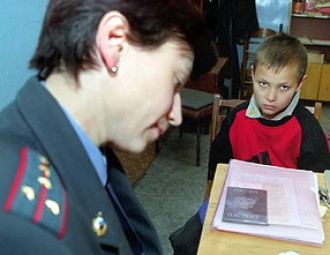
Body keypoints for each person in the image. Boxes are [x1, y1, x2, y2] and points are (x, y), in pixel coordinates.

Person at [0, 1, 216, 254]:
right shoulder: (24, 228)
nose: (176, 116)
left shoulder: (87, 144)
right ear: (114, 42)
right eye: (176, 81)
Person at [169, 33, 330, 255]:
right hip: (239, 201)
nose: (270, 97)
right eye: (263, 84)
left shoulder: (308, 130)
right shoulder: (236, 117)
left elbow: (316, 190)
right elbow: (218, 168)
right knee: (186, 243)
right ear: (252, 74)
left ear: (300, 83)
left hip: (284, 211)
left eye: (283, 87)